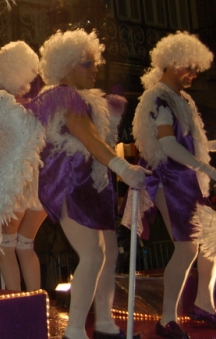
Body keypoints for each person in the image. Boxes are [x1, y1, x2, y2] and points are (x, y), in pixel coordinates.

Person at [27, 29, 148, 339]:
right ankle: (75, 330)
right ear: (65, 66)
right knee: (93, 254)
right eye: (86, 63)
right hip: (70, 181)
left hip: (94, 183)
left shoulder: (90, 99)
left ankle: (105, 323)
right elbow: (87, 137)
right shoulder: (61, 95)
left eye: (95, 63)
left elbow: (99, 141)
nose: (95, 69)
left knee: (108, 252)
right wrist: (122, 166)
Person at [132, 32, 216, 339]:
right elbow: (167, 146)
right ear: (171, 63)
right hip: (169, 178)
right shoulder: (159, 98)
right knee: (187, 247)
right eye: (188, 68)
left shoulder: (180, 99)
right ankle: (166, 319)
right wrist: (212, 170)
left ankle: (203, 304)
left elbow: (186, 143)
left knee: (211, 239)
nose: (192, 74)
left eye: (195, 68)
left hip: (185, 178)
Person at [0, 41, 47, 292]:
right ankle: (37, 305)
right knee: (25, 246)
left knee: (5, 247)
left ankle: (17, 306)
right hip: (41, 186)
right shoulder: (38, 110)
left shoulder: (8, 111)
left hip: (16, 185)